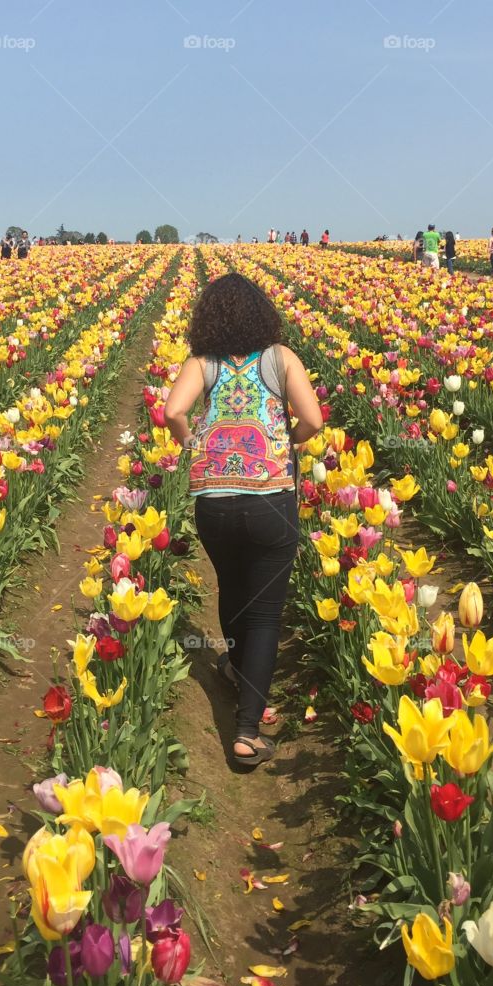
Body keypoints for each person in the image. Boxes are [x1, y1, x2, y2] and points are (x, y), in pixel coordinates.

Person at [164, 275, 323, 768]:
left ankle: (235, 669)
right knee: (266, 613)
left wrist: (196, 445)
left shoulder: (203, 363)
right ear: (261, 314)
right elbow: (314, 421)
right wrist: (284, 444)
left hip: (214, 501)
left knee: (231, 589)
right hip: (270, 498)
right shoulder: (280, 358)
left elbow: (172, 410)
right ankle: (247, 732)